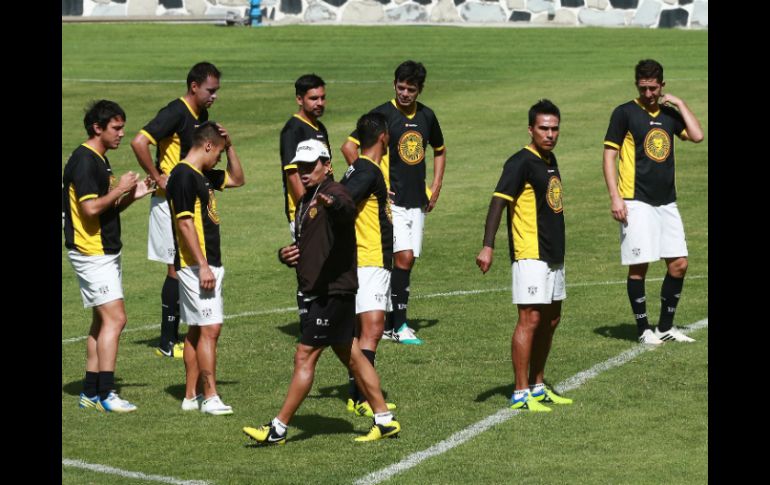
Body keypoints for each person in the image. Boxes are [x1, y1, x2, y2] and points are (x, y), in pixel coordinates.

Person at [243, 139, 400, 444]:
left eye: (310, 165)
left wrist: (334, 205)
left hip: (333, 292)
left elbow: (346, 209)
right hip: (322, 290)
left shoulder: (334, 192)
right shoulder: (307, 200)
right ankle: (384, 420)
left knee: (305, 355)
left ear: (327, 165)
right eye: (300, 166)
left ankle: (278, 428)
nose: (304, 172)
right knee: (353, 356)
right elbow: (311, 244)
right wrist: (286, 254)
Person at [476, 99, 573, 412]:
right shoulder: (520, 162)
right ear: (531, 129)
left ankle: (537, 385)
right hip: (530, 252)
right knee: (529, 319)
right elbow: (498, 202)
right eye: (543, 128)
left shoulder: (549, 159)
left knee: (551, 319)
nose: (550, 134)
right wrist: (488, 245)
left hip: (553, 252)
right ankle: (520, 392)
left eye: (554, 128)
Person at [341, 60, 446, 345]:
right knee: (404, 257)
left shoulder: (427, 116)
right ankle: (399, 325)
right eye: (400, 87)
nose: (405, 93)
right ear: (394, 85)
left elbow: (439, 150)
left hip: (417, 201)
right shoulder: (382, 115)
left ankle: (389, 322)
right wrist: (371, 179)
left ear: (420, 89)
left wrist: (436, 186)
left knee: (407, 263)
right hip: (392, 203)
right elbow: (349, 146)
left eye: (411, 89)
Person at [602, 59, 704, 345]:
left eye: (653, 88)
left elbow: (697, 136)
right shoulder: (624, 113)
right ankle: (643, 329)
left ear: (662, 86)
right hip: (635, 200)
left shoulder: (669, 114)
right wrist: (615, 196)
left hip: (667, 202)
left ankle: (665, 328)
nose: (648, 94)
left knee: (679, 264)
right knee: (640, 264)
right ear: (637, 85)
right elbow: (609, 156)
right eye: (643, 88)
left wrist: (679, 103)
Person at [63, 100, 154, 412]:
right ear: (97, 128)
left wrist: (132, 195)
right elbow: (89, 209)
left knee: (102, 321)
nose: (122, 133)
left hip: (101, 250)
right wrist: (120, 189)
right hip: (92, 253)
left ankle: (90, 393)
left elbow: (104, 210)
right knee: (116, 318)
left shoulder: (99, 159)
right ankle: (106, 394)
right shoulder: (85, 162)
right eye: (116, 128)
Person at [131, 61, 222, 359]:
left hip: (188, 198)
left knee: (183, 265)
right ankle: (167, 341)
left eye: (216, 91)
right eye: (210, 90)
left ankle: (179, 335)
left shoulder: (201, 116)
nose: (214, 96)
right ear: (194, 86)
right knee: (175, 267)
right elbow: (139, 141)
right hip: (168, 201)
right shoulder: (175, 112)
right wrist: (158, 177)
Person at [166, 121, 245, 415]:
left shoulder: (201, 174)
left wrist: (231, 145)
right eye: (219, 153)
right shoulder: (184, 176)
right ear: (207, 145)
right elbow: (185, 223)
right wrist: (203, 266)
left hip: (204, 263)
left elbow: (238, 179)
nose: (220, 159)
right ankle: (210, 397)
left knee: (198, 330)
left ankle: (191, 396)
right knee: (211, 328)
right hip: (197, 265)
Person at [340, 113, 397, 417]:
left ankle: (357, 395)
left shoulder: (358, 169)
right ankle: (363, 398)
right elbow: (343, 200)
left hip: (365, 259)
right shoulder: (368, 170)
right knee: (372, 328)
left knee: (364, 330)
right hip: (369, 258)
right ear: (383, 137)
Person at [279, 73, 331, 238]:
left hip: (323, 208)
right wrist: (308, 209)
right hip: (308, 213)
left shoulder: (320, 128)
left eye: (322, 98)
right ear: (299, 99)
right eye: (314, 98)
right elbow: (292, 174)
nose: (320, 103)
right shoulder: (293, 130)